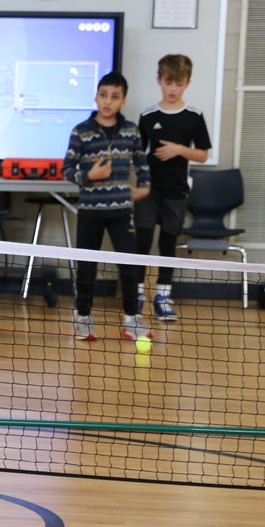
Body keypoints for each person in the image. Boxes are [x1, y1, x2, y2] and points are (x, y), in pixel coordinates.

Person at [62, 71, 153, 342]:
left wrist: (144, 187)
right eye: (103, 95)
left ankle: (131, 319)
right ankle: (83, 318)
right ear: (96, 96)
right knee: (87, 266)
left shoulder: (130, 131)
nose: (108, 101)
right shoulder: (81, 131)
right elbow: (67, 170)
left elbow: (142, 163)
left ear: (123, 101)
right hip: (90, 211)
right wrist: (90, 176)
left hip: (121, 212)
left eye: (114, 97)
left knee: (129, 265)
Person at [135, 54, 212, 322]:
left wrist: (179, 150)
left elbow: (203, 155)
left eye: (178, 83)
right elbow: (137, 154)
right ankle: (136, 293)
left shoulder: (193, 116)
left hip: (176, 191)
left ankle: (163, 296)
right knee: (142, 241)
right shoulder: (147, 116)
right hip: (148, 190)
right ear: (159, 80)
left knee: (168, 243)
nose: (172, 88)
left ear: (187, 83)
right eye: (168, 82)